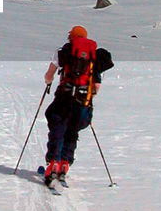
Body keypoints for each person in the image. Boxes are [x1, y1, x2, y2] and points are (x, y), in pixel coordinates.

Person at [41, 25, 113, 187]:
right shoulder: (94, 56)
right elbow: (96, 87)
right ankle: (65, 164)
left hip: (63, 99)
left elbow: (49, 75)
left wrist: (49, 82)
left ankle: (53, 163)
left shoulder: (64, 51)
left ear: (71, 37)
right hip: (82, 102)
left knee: (58, 128)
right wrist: (87, 97)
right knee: (72, 131)